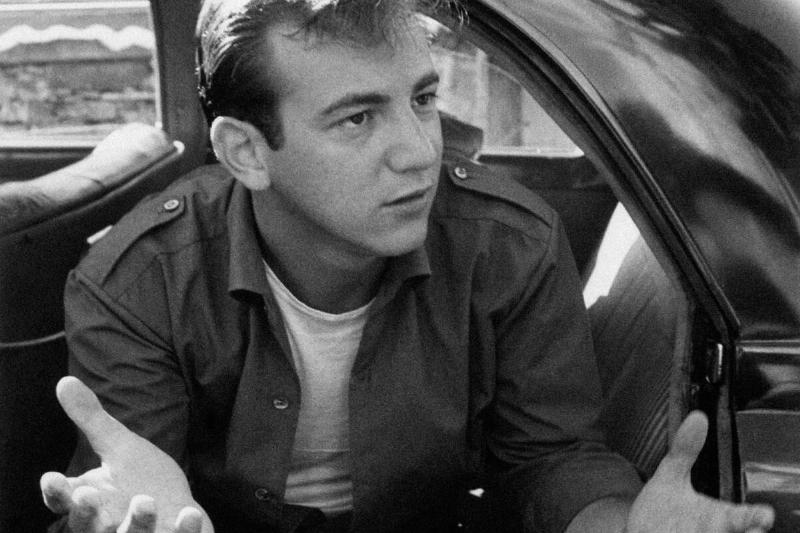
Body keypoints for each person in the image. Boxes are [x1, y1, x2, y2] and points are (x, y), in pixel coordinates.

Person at [40, 1, 775, 532]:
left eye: (422, 99)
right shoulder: (138, 279)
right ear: (246, 152)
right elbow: (136, 479)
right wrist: (135, 519)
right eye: (358, 117)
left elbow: (550, 461)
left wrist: (621, 526)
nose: (422, 151)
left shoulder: (509, 246)